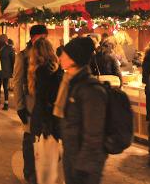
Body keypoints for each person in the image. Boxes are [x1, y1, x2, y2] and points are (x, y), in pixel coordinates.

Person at [58, 37, 108, 184]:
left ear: (74, 58)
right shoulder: (71, 83)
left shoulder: (90, 90)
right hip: (73, 156)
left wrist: (83, 167)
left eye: (64, 54)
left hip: (84, 165)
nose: (60, 57)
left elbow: (94, 134)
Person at [13, 24, 48, 184]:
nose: (44, 40)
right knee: (29, 140)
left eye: (45, 37)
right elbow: (18, 82)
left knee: (46, 140)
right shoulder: (23, 56)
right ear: (34, 37)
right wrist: (19, 106)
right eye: (42, 37)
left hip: (45, 105)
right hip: (30, 104)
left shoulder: (48, 54)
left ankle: (42, 172)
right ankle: (30, 173)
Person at [29, 38, 63, 184]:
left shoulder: (42, 70)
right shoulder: (56, 68)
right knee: (54, 160)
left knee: (43, 161)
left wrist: (41, 125)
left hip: (44, 121)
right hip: (54, 119)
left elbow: (42, 99)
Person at [0, 34, 15, 110]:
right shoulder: (10, 48)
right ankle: (6, 103)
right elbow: (13, 60)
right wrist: (12, 71)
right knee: (5, 87)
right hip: (6, 70)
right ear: (6, 40)